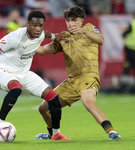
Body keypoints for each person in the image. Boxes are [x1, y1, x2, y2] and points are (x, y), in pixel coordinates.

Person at [0, 10, 70, 140]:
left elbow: (45, 33)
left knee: (53, 98)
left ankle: (56, 134)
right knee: (16, 88)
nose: (38, 29)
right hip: (4, 71)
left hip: (24, 74)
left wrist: (55, 37)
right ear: (27, 24)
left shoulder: (41, 33)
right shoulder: (15, 37)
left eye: (41, 25)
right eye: (34, 25)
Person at [35, 5, 121, 140]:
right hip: (71, 81)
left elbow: (101, 40)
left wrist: (83, 31)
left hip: (89, 76)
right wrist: (26, 45)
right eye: (68, 21)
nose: (71, 23)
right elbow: (44, 50)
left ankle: (112, 132)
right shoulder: (64, 37)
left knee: (88, 102)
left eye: (74, 20)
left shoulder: (89, 28)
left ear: (81, 21)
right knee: (43, 108)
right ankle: (54, 134)